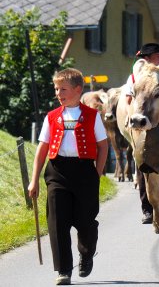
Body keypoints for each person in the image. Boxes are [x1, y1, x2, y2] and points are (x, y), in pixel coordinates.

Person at [28, 68, 108, 285]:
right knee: (57, 221)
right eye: (56, 89)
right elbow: (42, 149)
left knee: (85, 221)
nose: (58, 93)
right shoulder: (52, 117)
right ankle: (63, 270)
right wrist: (34, 179)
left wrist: (97, 173)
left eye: (63, 89)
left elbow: (103, 146)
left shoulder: (92, 116)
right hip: (57, 171)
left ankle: (86, 253)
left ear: (77, 89)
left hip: (84, 172)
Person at [123, 42, 159, 224]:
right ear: (147, 59)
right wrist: (131, 118)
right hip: (142, 125)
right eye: (157, 56)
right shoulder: (134, 78)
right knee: (144, 165)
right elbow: (128, 100)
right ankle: (147, 209)